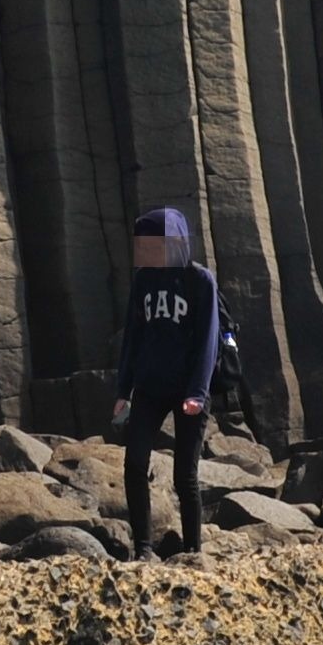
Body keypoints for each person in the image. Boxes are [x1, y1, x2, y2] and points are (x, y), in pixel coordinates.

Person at [110, 205, 218, 559]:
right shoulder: (143, 279)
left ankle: (192, 551)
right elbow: (133, 338)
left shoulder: (200, 280)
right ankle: (143, 548)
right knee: (135, 463)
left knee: (184, 475)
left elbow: (208, 339)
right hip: (150, 388)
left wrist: (198, 393)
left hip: (189, 390)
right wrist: (122, 391)